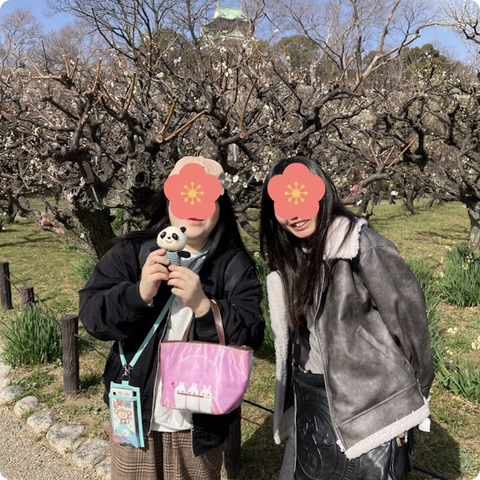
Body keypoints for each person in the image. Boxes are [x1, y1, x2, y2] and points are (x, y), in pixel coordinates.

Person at [79, 156, 265, 480]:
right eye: (184, 195)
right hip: (134, 415)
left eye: (205, 197)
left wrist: (205, 307)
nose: (193, 206)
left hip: (198, 425)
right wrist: (138, 294)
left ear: (221, 205)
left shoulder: (234, 266)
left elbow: (251, 336)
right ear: (168, 200)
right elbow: (93, 317)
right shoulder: (134, 252)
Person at [260, 156, 433, 480]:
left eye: (302, 198)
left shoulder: (359, 246)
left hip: (369, 400)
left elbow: (408, 319)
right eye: (283, 203)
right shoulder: (294, 255)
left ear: (322, 193)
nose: (295, 213)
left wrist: (415, 393)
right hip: (313, 395)